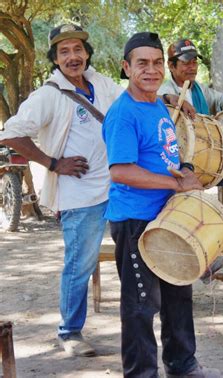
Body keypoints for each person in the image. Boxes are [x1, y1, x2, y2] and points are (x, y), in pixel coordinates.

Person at [0, 24, 124, 357]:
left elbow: (127, 107)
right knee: (80, 264)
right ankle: (70, 332)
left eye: (78, 49)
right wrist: (53, 163)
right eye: (64, 51)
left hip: (118, 187)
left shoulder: (102, 83)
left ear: (87, 53)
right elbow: (10, 134)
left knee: (134, 252)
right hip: (79, 195)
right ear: (55, 59)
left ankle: (138, 322)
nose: (73, 57)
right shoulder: (48, 95)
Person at [102, 32, 221, 378]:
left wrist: (185, 170)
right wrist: (175, 183)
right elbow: (121, 171)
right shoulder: (123, 114)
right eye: (142, 63)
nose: (151, 70)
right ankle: (141, 373)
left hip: (169, 216)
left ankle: (182, 364)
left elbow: (166, 154)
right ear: (126, 68)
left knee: (177, 294)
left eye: (157, 63)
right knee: (141, 305)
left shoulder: (157, 104)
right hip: (136, 221)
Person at [159, 38, 223, 247]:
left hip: (211, 166)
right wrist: (169, 98)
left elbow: (221, 99)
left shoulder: (200, 90)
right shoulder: (163, 88)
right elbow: (152, 99)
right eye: (186, 62)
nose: (192, 67)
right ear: (171, 65)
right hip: (177, 170)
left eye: (195, 62)